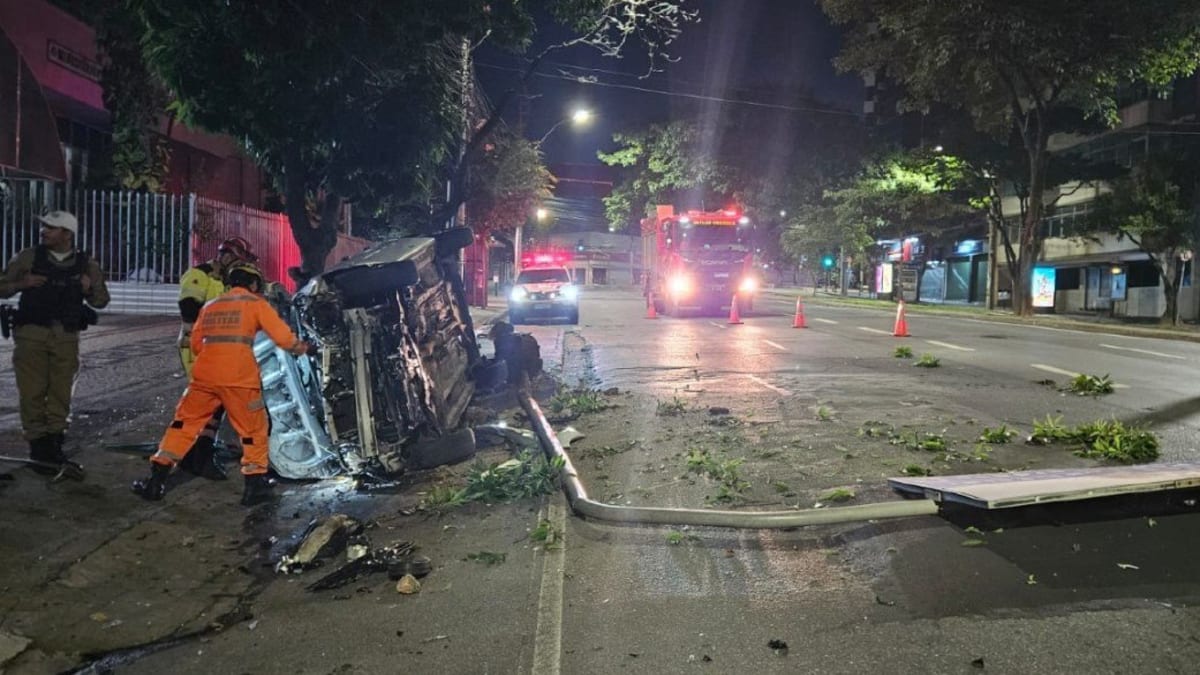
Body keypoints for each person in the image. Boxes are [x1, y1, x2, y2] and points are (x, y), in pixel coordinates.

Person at [132, 263, 310, 505]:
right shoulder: (256, 304)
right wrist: (301, 348)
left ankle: (156, 480)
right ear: (254, 283)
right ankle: (254, 486)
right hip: (239, 378)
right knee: (252, 430)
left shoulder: (211, 305)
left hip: (205, 376)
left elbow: (195, 343)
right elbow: (282, 336)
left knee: (183, 425)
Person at [0, 211, 109, 473]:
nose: (44, 231)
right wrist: (21, 283)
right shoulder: (28, 257)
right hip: (31, 334)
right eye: (45, 226)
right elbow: (1, 286)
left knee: (61, 392)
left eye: (52, 227)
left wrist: (87, 289)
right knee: (32, 391)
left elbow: (101, 301)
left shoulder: (86, 264)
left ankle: (55, 442)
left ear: (67, 234)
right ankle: (39, 447)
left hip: (66, 336)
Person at [174, 236, 258, 481]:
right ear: (227, 255)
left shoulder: (226, 281)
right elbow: (188, 306)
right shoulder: (201, 275)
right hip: (197, 347)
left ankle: (195, 456)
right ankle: (199, 457)